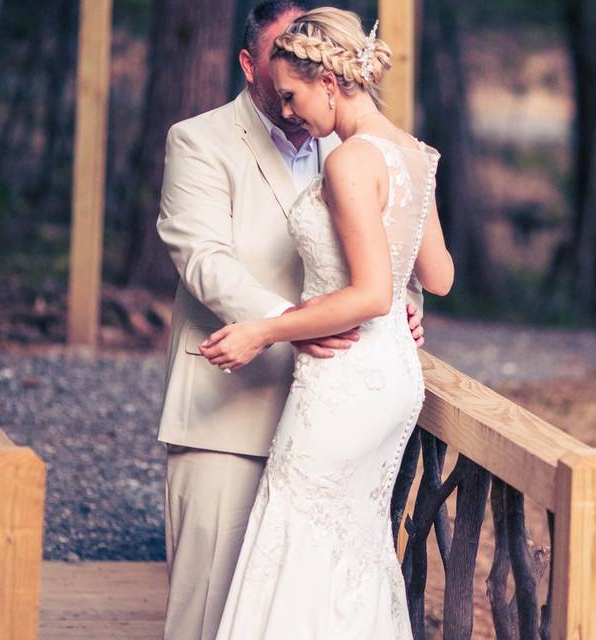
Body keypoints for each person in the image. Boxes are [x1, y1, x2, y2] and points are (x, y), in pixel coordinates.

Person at [154, 2, 426, 638]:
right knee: (211, 618)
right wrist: (295, 322)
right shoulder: (198, 140)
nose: (293, 83)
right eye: (285, 59)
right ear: (254, 64)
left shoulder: (355, 142)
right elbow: (203, 259)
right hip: (229, 416)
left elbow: (386, 260)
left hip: (331, 422)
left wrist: (404, 308)